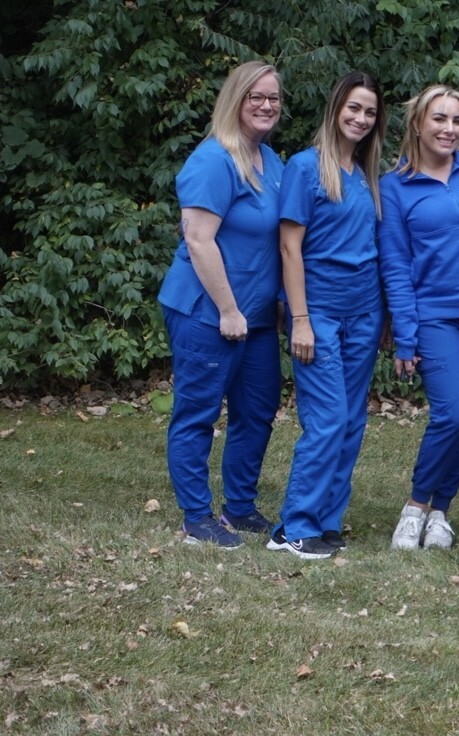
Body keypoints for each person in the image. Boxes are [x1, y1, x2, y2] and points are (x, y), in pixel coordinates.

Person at [158, 61, 285, 549]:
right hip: (207, 310)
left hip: (256, 316)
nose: (266, 105)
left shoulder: (270, 161)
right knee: (198, 413)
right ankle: (197, 517)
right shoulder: (214, 159)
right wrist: (229, 310)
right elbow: (198, 239)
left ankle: (240, 506)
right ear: (235, 99)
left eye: (273, 97)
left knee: (257, 411)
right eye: (256, 96)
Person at [268, 71, 387, 559]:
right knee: (328, 419)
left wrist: (385, 317)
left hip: (364, 313)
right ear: (336, 108)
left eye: (370, 111)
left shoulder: (366, 173)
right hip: (318, 312)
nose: (361, 118)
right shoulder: (305, 167)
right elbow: (289, 248)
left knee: (352, 420)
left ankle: (326, 521)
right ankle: (296, 526)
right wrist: (299, 319)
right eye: (354, 108)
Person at [378, 85, 459, 550]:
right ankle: (414, 508)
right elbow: (395, 264)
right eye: (439, 119)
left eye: (457, 120)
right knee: (451, 412)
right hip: (434, 317)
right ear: (417, 124)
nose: (450, 129)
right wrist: (405, 337)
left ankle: (440, 512)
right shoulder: (395, 186)